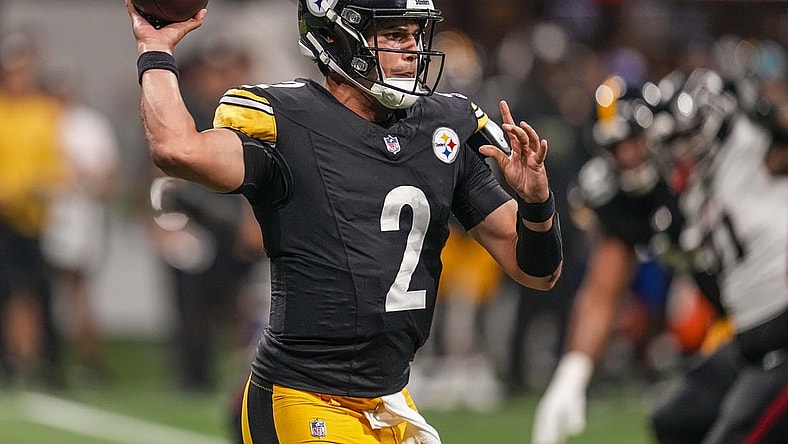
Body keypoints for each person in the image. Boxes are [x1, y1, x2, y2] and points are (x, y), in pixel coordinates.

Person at [126, 0, 564, 442]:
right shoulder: (289, 121)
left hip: (390, 399)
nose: (413, 49)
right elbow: (176, 150)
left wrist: (536, 202)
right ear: (336, 37)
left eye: (415, 34)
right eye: (394, 34)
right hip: (305, 394)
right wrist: (155, 49)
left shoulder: (441, 127)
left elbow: (537, 271)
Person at [533, 68, 788, 444]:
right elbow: (603, 292)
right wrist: (572, 374)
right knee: (675, 422)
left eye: (635, 140)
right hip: (746, 330)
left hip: (775, 321)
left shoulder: (725, 145)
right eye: (615, 149)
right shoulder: (635, 199)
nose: (629, 156)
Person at [148, 34, 264, 392]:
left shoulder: (252, 115)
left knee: (240, 302)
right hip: (195, 222)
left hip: (232, 224)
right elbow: (162, 173)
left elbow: (258, 176)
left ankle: (245, 370)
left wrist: (252, 223)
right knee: (193, 305)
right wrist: (164, 224)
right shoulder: (189, 112)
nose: (218, 80)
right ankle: (193, 373)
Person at [39, 59, 120, 385]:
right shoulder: (40, 120)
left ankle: (87, 361)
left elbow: (107, 175)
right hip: (43, 212)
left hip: (78, 213)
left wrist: (85, 179)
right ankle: (45, 360)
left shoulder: (88, 124)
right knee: (42, 290)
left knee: (78, 288)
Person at [0, 29, 67, 387]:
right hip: (5, 218)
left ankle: (38, 360)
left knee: (35, 291)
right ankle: (13, 361)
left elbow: (54, 166)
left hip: (31, 219)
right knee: (11, 292)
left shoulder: (43, 112)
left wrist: (26, 189)